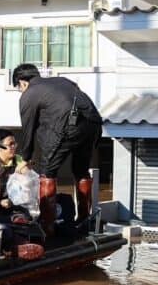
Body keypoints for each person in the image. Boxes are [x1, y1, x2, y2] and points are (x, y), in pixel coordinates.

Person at [14, 63, 103, 236]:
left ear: (22, 82)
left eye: (19, 88)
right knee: (81, 170)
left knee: (48, 171)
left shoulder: (29, 94)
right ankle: (84, 220)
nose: (21, 91)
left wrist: (25, 158)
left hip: (68, 124)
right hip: (93, 123)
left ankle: (47, 227)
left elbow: (27, 130)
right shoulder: (63, 81)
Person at [0, 129, 29, 215]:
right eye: (10, 144)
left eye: (14, 144)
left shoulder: (18, 160)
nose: (14, 147)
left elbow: (28, 185)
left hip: (14, 205)